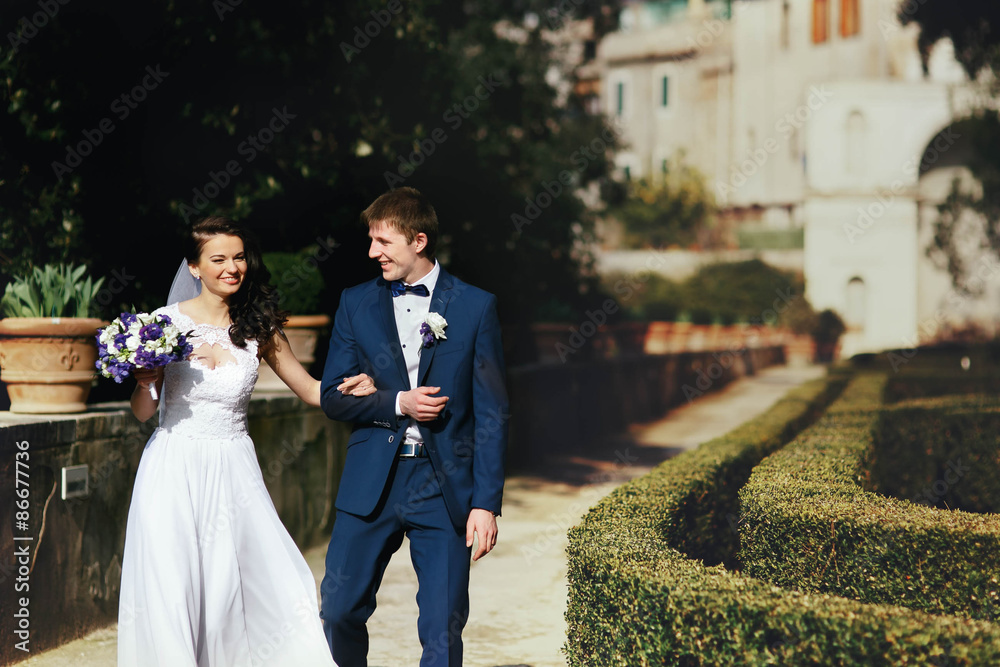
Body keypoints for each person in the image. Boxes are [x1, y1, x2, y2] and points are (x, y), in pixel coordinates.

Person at [118, 215, 373, 667]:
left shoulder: (260, 327)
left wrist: (351, 388)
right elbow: (142, 413)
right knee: (171, 587)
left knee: (241, 588)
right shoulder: (162, 324)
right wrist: (144, 382)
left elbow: (312, 390)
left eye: (238, 257)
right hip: (173, 466)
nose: (231, 267)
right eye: (218, 259)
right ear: (194, 267)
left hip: (234, 469)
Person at [318, 187, 509, 666]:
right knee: (338, 611)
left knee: (442, 627)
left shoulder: (475, 306)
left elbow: (492, 412)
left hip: (444, 488)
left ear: (419, 241)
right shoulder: (354, 303)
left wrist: (485, 504)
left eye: (383, 242)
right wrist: (396, 401)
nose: (371, 252)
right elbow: (332, 398)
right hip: (371, 482)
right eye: (371, 240)